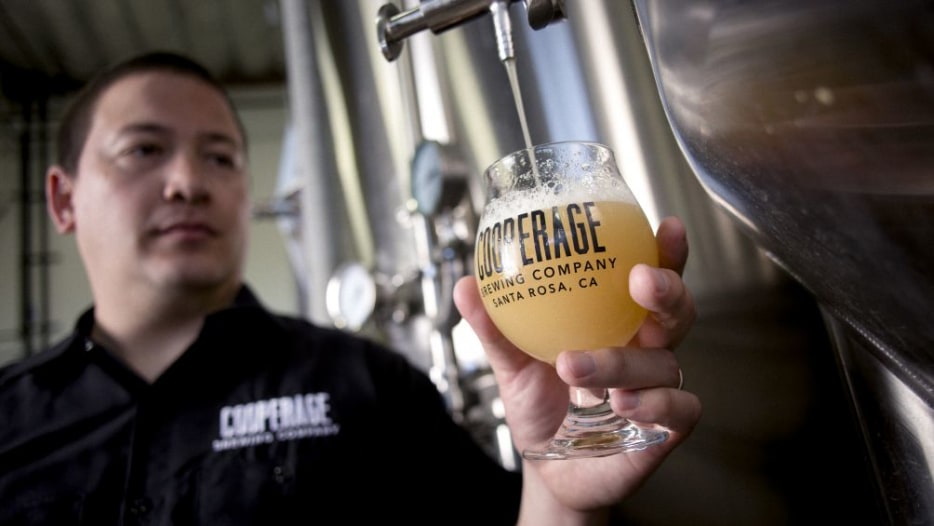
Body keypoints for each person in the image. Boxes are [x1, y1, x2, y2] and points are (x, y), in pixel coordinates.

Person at [0, 51, 701, 525]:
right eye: (144, 150)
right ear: (62, 201)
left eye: (220, 157)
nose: (189, 182)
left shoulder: (365, 381)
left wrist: (557, 496)